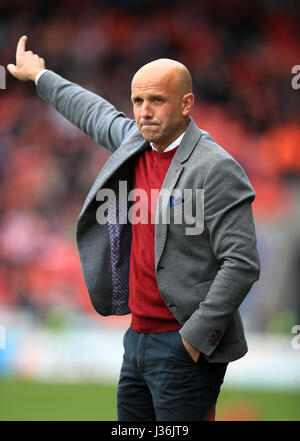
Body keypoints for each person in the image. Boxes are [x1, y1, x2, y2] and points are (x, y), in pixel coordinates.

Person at [8, 35, 260, 421]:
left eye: (157, 100)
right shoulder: (135, 141)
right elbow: (91, 112)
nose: (144, 111)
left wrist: (193, 340)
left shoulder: (216, 168)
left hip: (183, 346)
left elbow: (241, 263)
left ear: (186, 104)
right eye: (138, 101)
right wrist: (41, 75)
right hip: (136, 339)